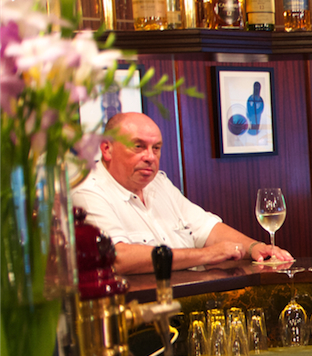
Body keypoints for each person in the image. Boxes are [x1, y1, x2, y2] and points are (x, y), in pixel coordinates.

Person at [72, 113, 293, 275]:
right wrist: (207, 255)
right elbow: (116, 257)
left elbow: (206, 228)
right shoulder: (88, 190)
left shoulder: (159, 183)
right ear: (107, 149)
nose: (150, 157)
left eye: (156, 148)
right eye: (138, 146)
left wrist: (254, 247)